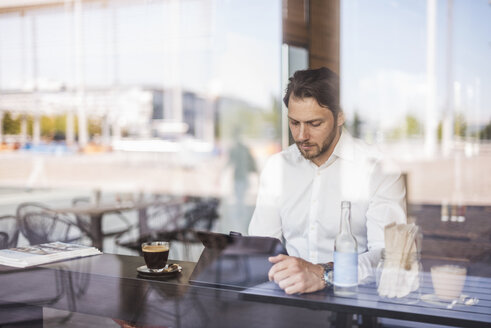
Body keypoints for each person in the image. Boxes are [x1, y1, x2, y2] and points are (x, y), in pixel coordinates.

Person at [248, 67, 406, 294]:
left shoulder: (378, 170)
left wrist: (324, 274)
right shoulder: (277, 168)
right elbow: (262, 247)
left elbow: (388, 255)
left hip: (357, 302)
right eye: (294, 123)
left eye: (314, 124)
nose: (302, 136)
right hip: (288, 299)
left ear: (340, 116)